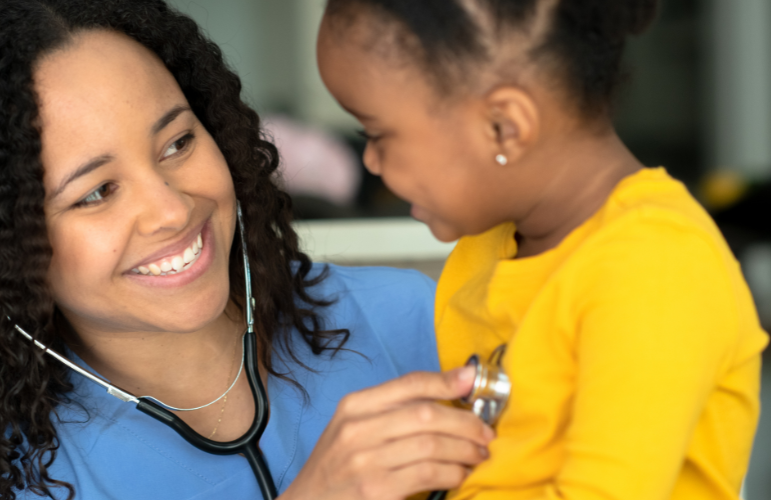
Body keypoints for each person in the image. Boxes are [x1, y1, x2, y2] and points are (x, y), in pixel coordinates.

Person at [0, 1, 496, 499]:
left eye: (178, 144)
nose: (173, 209)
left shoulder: (417, 323)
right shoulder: (1, 468)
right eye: (96, 192)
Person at [316, 1, 769, 499]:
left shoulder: (656, 267)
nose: (371, 162)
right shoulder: (489, 248)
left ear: (505, 126)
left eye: (377, 134)